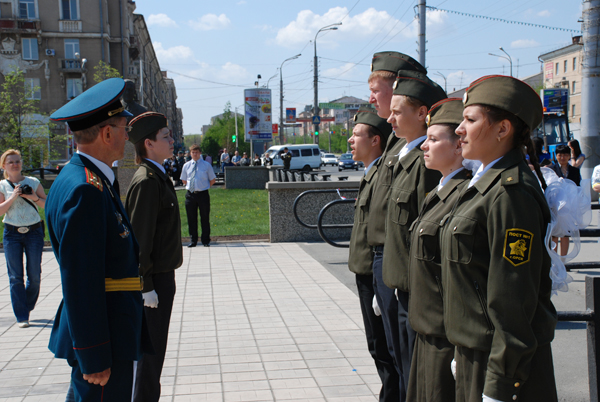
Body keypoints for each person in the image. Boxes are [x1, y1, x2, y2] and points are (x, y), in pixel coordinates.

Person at [442, 75, 558, 402]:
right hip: (476, 353)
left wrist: (500, 384)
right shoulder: (487, 183)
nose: (459, 129)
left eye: (469, 119)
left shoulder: (510, 193)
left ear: (502, 129)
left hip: (499, 362)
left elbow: (513, 299)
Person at [47, 77, 145, 401]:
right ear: (106, 133)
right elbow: (80, 280)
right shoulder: (86, 189)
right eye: (123, 128)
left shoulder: (85, 178)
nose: (127, 136)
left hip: (111, 327)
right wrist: (94, 354)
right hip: (106, 336)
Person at [366, 51, 429, 401]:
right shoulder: (395, 140)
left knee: (408, 366)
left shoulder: (421, 149)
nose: (372, 99)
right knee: (394, 358)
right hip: (386, 264)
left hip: (402, 269)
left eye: (377, 89)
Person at [383, 69, 446, 395]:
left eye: (397, 112)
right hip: (400, 285)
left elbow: (423, 234)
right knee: (403, 366)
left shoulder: (425, 164)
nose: (390, 119)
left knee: (414, 376)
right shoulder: (406, 155)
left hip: (414, 289)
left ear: (422, 113)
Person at [406, 98, 468, 402]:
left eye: (433, 139)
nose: (424, 146)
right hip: (426, 330)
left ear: (458, 147)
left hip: (445, 336)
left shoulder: (462, 196)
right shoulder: (441, 192)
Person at [125, 112, 183, 402]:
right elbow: (139, 239)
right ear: (148, 143)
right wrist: (144, 284)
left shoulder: (157, 175)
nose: (172, 141)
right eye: (166, 137)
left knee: (154, 352)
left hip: (161, 278)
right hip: (154, 282)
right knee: (148, 356)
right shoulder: (147, 181)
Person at [347, 107, 399, 402]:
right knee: (377, 347)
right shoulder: (372, 173)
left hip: (378, 274)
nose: (351, 141)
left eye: (356, 135)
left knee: (386, 350)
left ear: (376, 140)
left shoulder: (383, 174)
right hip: (366, 273)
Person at [0, 149, 46, 328]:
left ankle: (25, 304)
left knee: (34, 275)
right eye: (11, 162)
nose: (15, 164)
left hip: (34, 232)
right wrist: (13, 197)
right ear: (4, 165)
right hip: (12, 234)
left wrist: (33, 197)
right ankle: (22, 316)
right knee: (15, 276)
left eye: (17, 161)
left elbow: (47, 204)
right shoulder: (2, 185)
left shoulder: (33, 182)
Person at [181, 144, 216, 247]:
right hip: (190, 195)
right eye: (193, 152)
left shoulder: (206, 165)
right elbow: (184, 180)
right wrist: (192, 187)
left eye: (196, 152)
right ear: (190, 153)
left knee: (204, 217)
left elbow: (212, 180)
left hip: (203, 194)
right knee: (191, 218)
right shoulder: (186, 165)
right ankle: (193, 240)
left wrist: (203, 187)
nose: (194, 154)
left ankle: (205, 240)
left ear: (200, 153)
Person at [550, 144, 581, 256]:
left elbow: (578, 187)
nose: (562, 157)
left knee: (565, 234)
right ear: (556, 156)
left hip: (569, 207)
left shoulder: (574, 171)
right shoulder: (551, 169)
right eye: (560, 155)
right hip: (554, 206)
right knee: (554, 234)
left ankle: (563, 261)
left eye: (565, 155)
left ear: (569, 156)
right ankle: (554, 261)